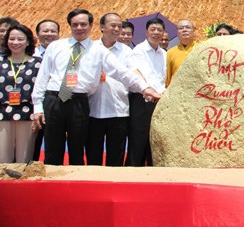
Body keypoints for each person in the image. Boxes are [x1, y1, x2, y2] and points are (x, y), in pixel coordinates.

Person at [31, 9, 159, 166]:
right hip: (54, 100)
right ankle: (51, 185)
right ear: (70, 26)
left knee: (77, 149)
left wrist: (144, 88)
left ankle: (75, 184)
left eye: (83, 24)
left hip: (79, 102)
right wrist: (38, 106)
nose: (79, 28)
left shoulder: (99, 51)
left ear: (91, 25)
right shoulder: (56, 47)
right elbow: (43, 77)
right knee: (53, 148)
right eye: (75, 24)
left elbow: (122, 72)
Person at [86, 13, 132, 166]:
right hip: (93, 110)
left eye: (119, 26)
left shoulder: (127, 52)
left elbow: (133, 76)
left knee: (116, 155)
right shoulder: (89, 49)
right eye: (113, 25)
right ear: (102, 27)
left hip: (118, 110)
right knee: (93, 154)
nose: (117, 29)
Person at [126, 18, 167, 166]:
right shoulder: (139, 51)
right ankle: (132, 174)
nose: (156, 33)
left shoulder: (163, 53)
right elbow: (145, 74)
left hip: (158, 101)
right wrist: (162, 93)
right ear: (146, 31)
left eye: (159, 30)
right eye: (153, 29)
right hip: (142, 100)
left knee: (154, 141)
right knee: (138, 140)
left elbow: (163, 77)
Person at [0, 25, 42, 163]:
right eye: (12, 39)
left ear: (28, 42)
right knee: (3, 157)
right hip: (2, 113)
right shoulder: (1, 63)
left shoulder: (37, 63)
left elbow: (41, 89)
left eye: (20, 39)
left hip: (27, 113)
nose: (15, 42)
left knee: (24, 158)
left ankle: (21, 185)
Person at [32, 19, 61, 161]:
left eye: (53, 31)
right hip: (31, 107)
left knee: (53, 144)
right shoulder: (29, 55)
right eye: (45, 31)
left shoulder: (63, 54)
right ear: (38, 34)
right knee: (32, 145)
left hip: (55, 105)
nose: (49, 34)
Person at [166, 19, 197, 87]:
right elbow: (167, 78)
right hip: (177, 91)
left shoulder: (201, 48)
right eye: (180, 28)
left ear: (193, 31)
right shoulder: (170, 52)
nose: (184, 30)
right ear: (177, 32)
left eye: (188, 27)